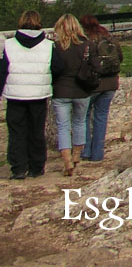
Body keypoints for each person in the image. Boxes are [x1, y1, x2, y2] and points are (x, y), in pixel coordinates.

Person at [0, 10, 53, 179]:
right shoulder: (48, 45)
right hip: (38, 94)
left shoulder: (8, 45)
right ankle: (37, 166)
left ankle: (18, 168)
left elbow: (2, 71)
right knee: (36, 131)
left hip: (15, 94)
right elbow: (57, 67)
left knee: (16, 132)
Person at [50, 14, 91, 176]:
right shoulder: (87, 45)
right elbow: (95, 66)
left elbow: (53, 69)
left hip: (61, 90)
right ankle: (76, 155)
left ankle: (66, 160)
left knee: (63, 126)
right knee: (80, 122)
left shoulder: (56, 47)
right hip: (82, 90)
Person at [79, 14, 123, 163]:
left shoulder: (86, 40)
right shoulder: (109, 37)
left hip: (93, 84)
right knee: (101, 117)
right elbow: (120, 58)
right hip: (111, 83)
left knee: (83, 116)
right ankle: (97, 154)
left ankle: (85, 151)